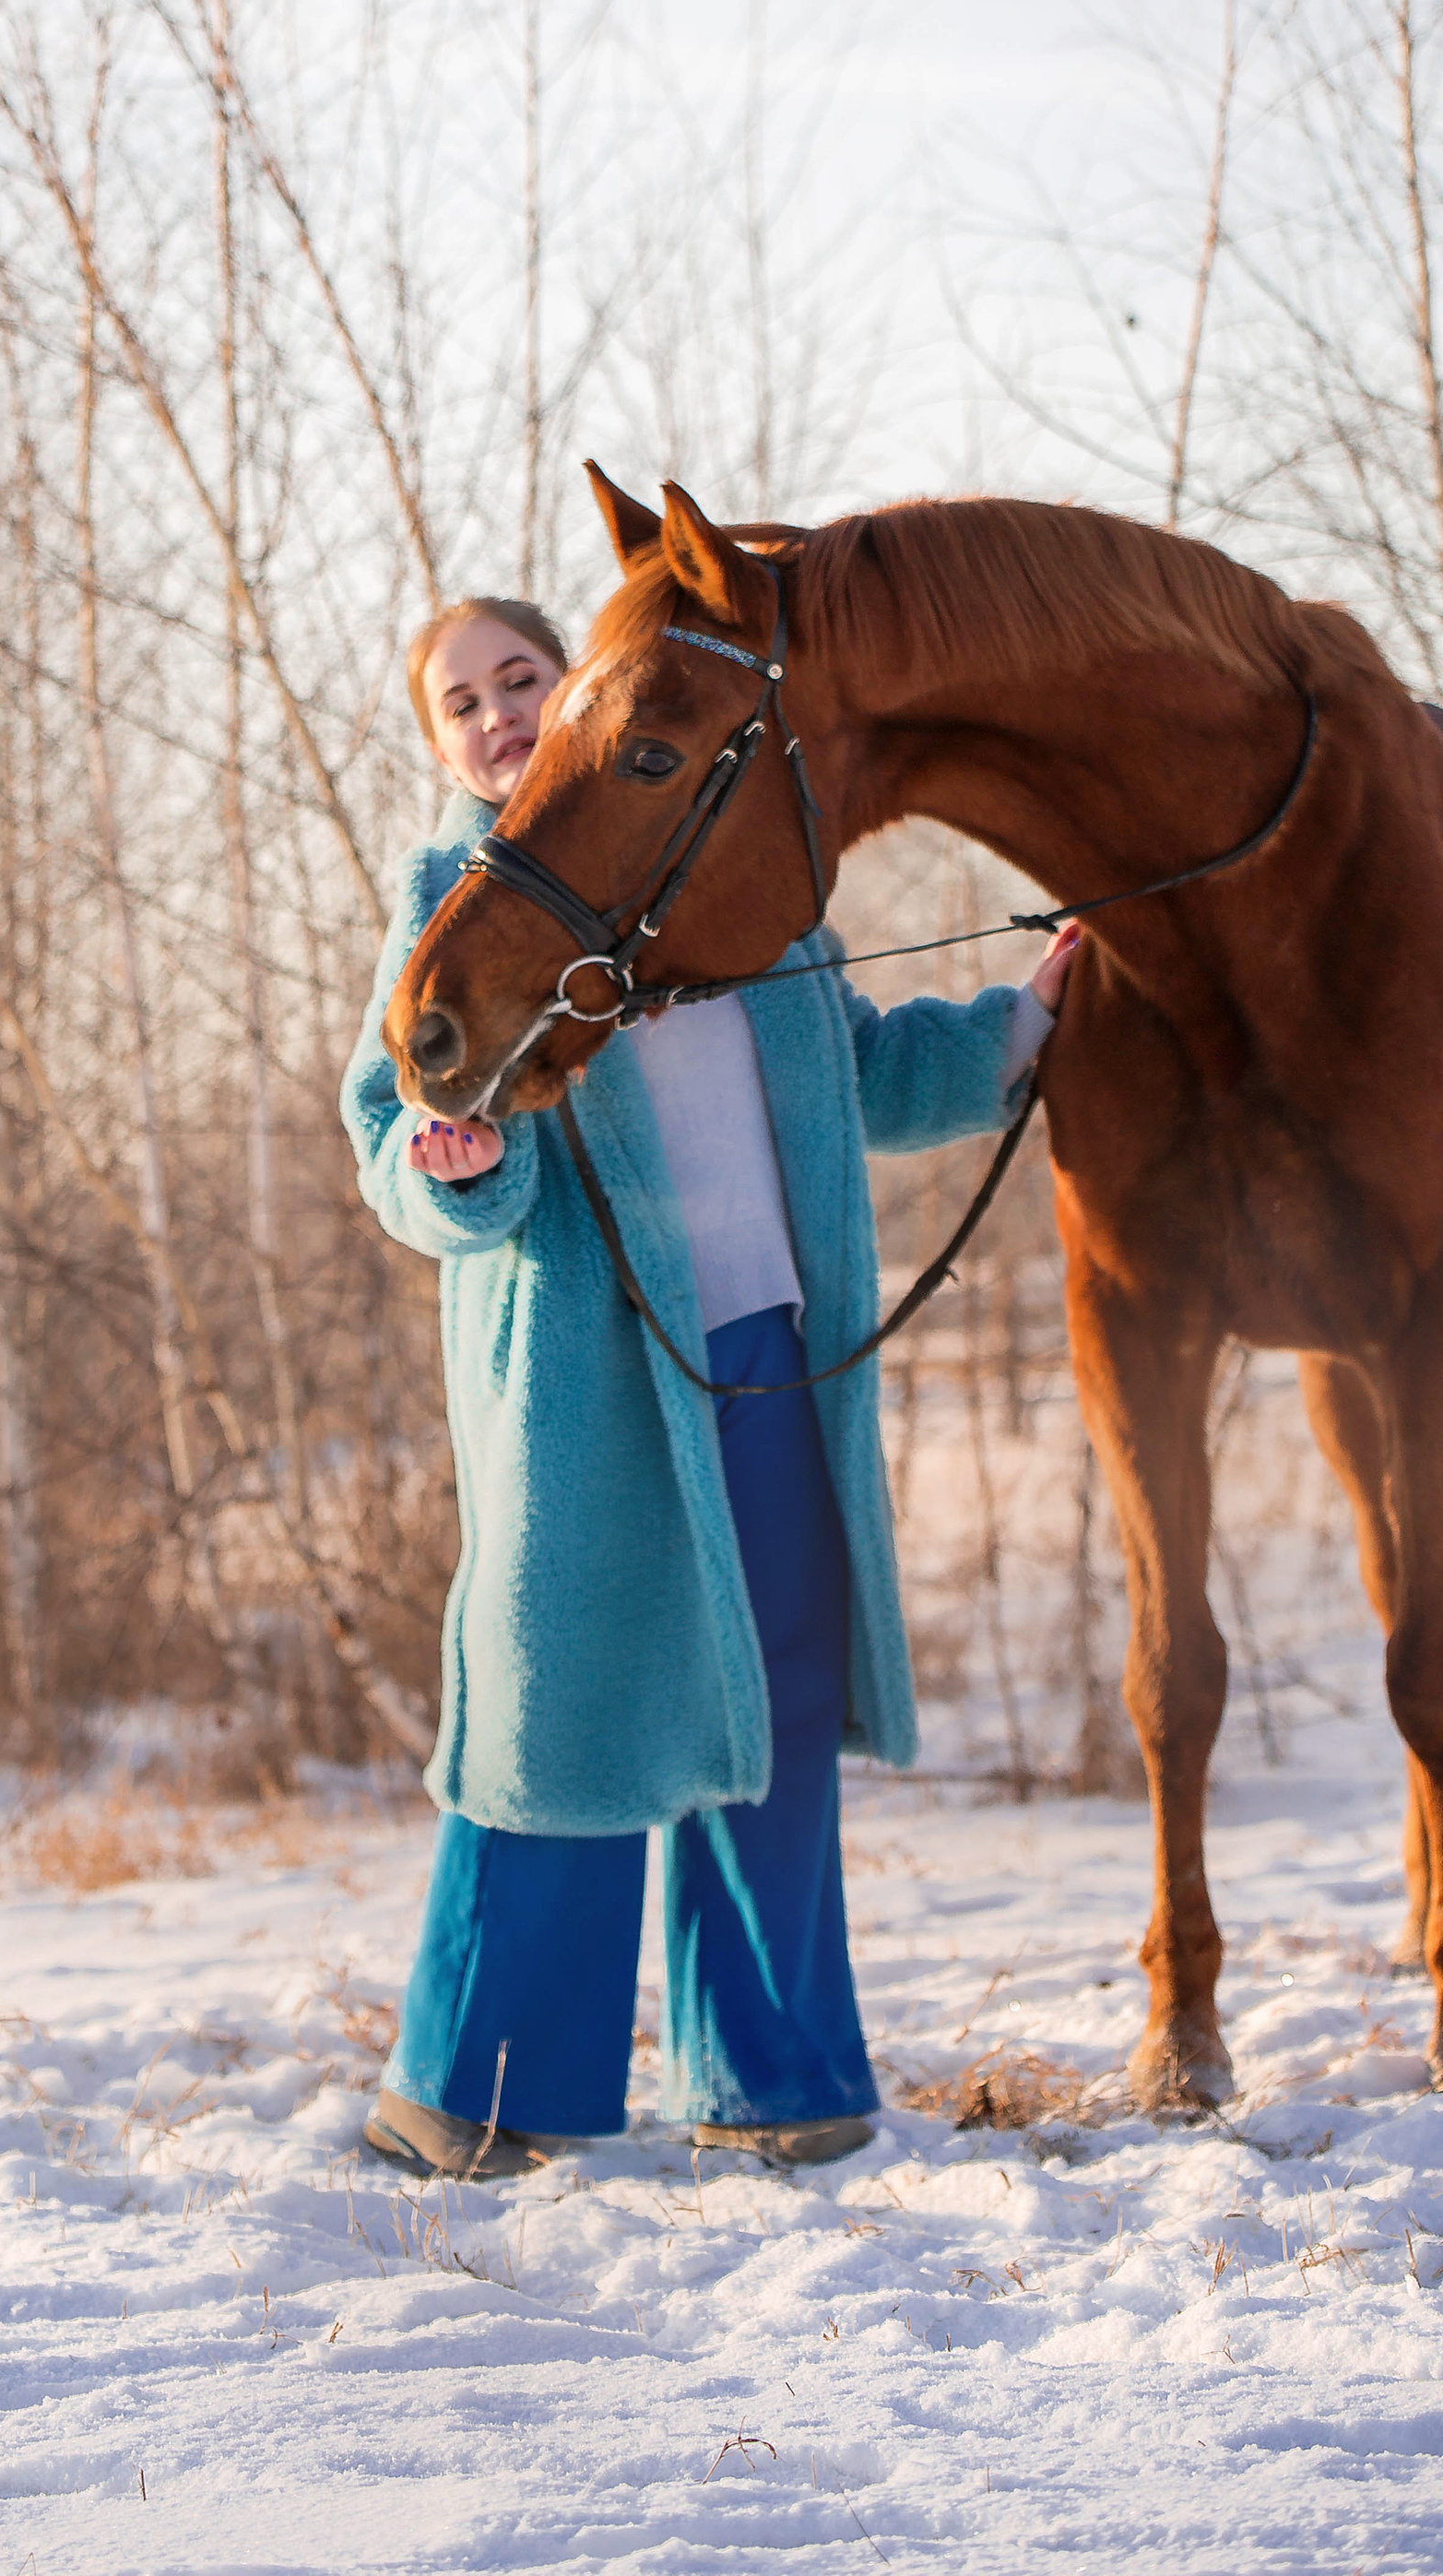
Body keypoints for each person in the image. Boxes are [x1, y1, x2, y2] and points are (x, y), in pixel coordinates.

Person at [339, 592, 1080, 2178]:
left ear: (585, 687)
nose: (494, 716)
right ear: (440, 746)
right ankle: (475, 2096)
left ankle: (777, 2086)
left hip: (778, 1355)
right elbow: (393, 1145)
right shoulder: (455, 902)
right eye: (457, 703)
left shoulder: (723, 867)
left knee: (779, 1713)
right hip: (586, 1392)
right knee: (568, 1717)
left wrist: (1016, 1029)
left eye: (519, 678)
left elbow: (861, 1070)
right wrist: (449, 1158)